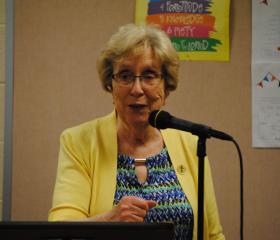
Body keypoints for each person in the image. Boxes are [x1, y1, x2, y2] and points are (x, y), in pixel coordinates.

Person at [48, 23, 225, 240]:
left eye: (149, 75)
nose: (137, 89)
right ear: (110, 86)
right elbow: (59, 230)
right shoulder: (79, 142)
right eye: (125, 76)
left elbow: (213, 234)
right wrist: (108, 220)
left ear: (166, 87)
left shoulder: (191, 143)